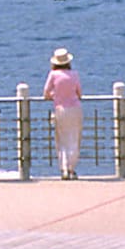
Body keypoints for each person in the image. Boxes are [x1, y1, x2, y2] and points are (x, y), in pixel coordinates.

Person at [42, 48, 83, 180]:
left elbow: (46, 93)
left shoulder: (53, 75)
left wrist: (55, 95)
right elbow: (79, 93)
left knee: (61, 139)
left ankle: (64, 168)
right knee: (74, 138)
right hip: (75, 109)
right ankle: (72, 168)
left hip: (60, 109)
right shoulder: (74, 74)